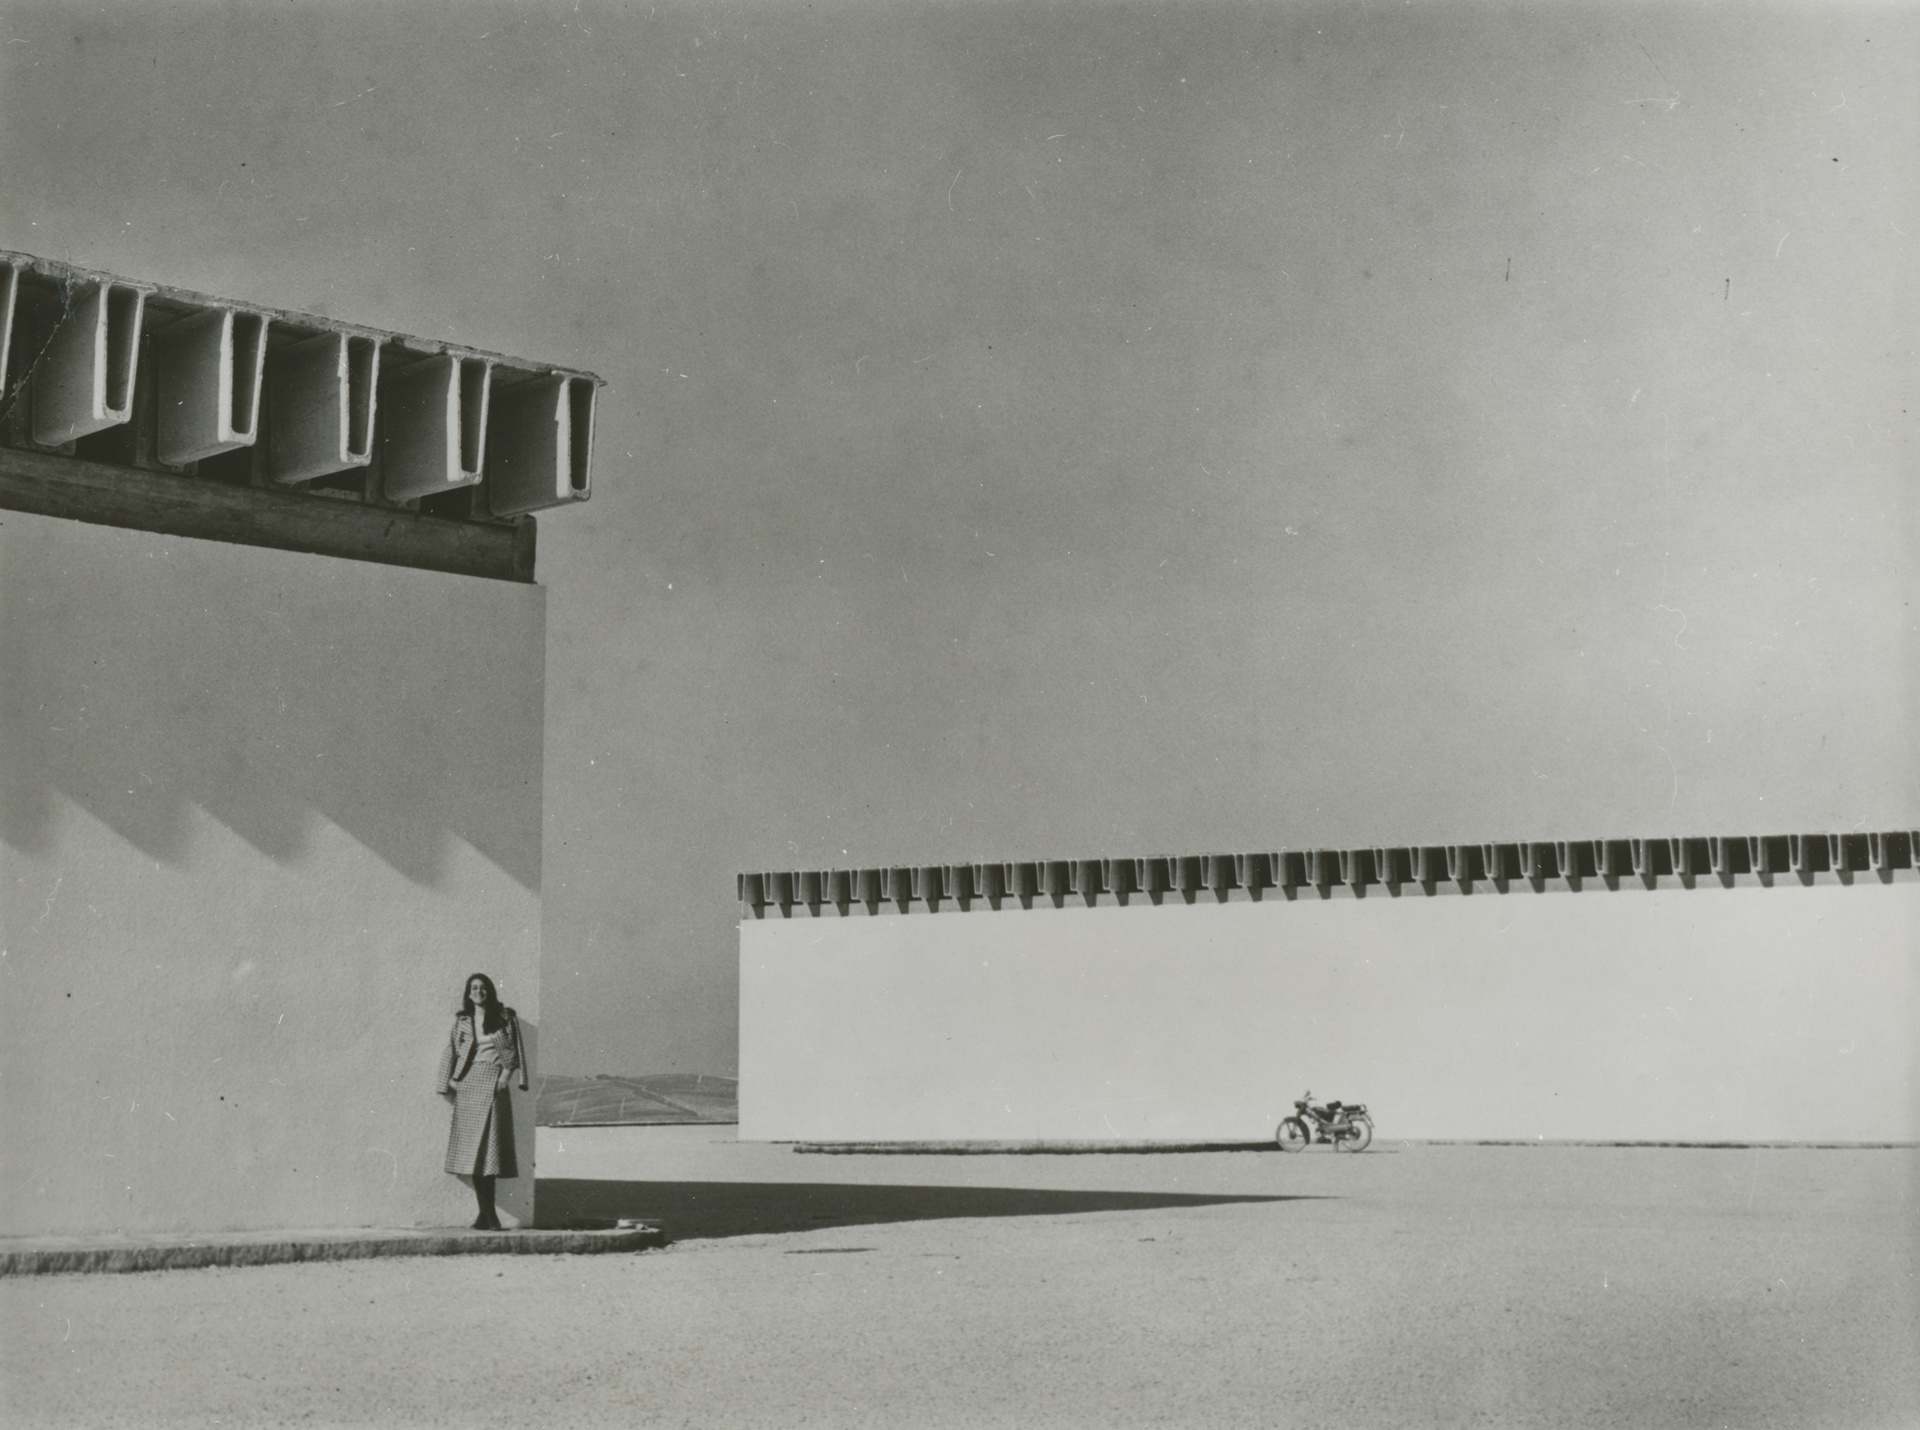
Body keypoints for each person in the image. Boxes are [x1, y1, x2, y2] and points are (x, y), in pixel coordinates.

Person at [434, 973, 527, 1230]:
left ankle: (489, 1214)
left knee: (490, 1150)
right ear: (468, 993)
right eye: (474, 988)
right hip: (470, 1084)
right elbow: (452, 1050)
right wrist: (450, 1082)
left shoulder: (505, 1017)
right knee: (472, 1152)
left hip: (494, 1083)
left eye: (483, 988)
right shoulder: (463, 1021)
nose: (478, 992)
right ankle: (485, 1214)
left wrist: (505, 1078)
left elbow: (515, 1051)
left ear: (490, 991)